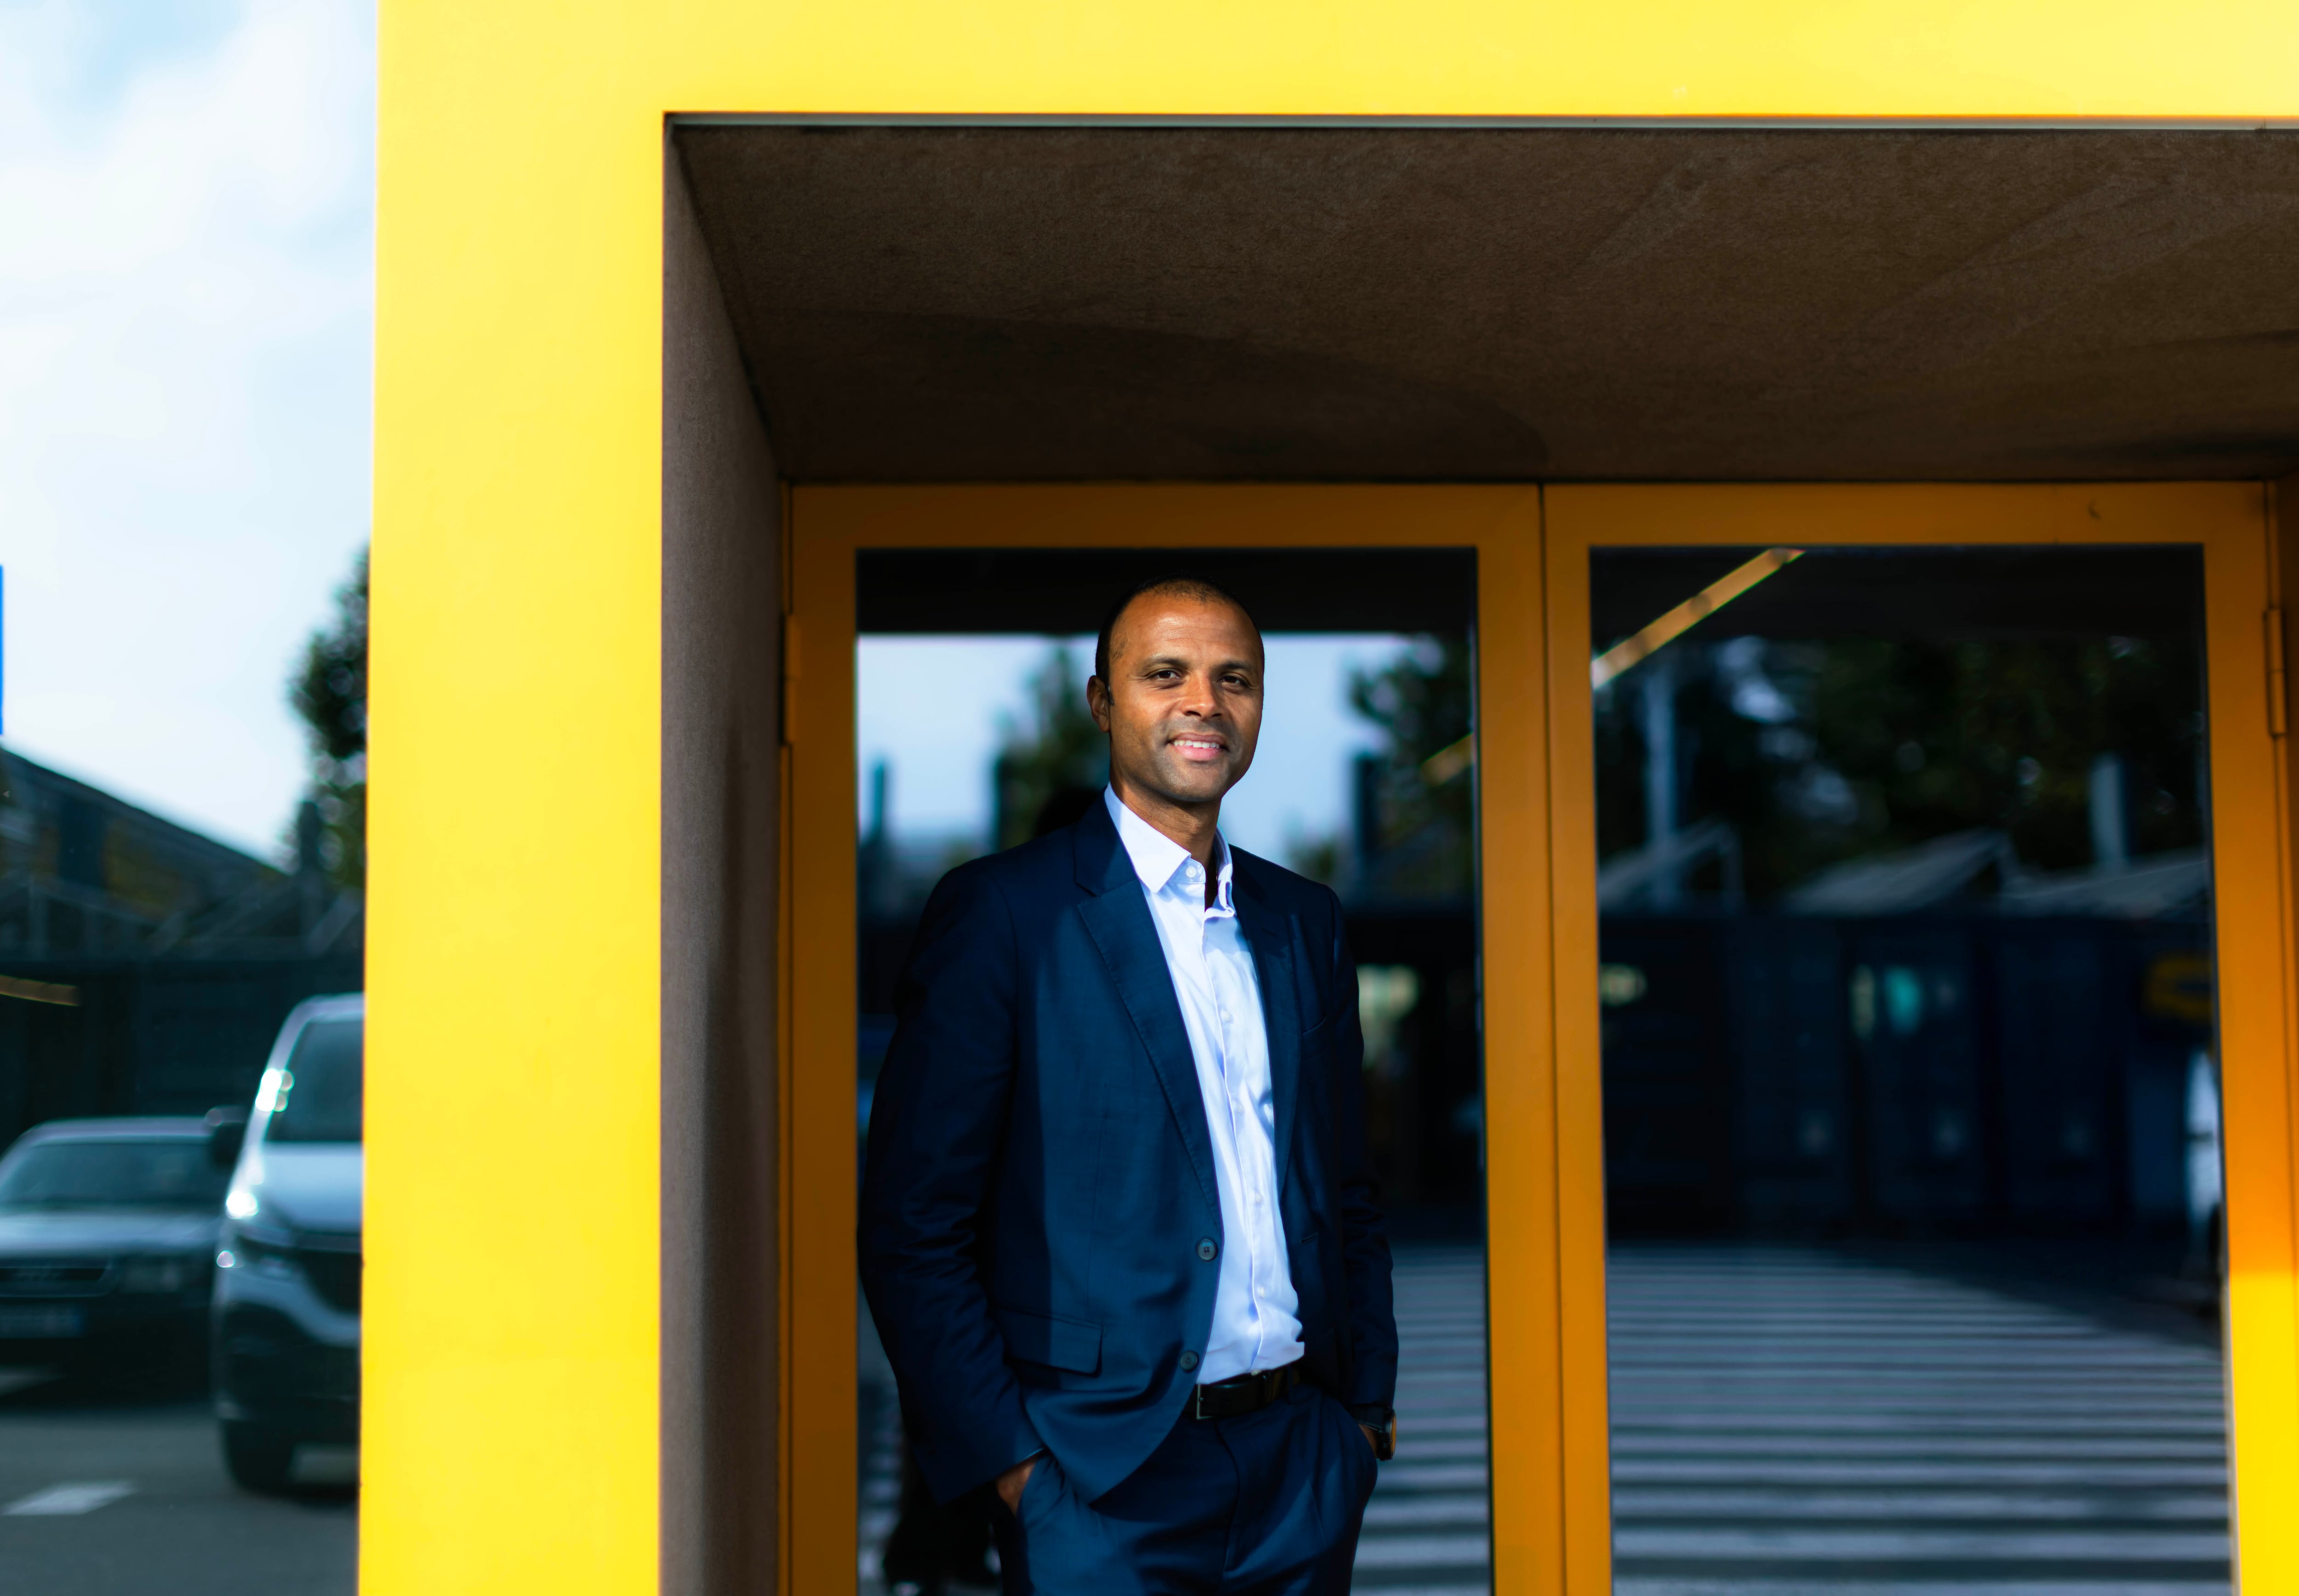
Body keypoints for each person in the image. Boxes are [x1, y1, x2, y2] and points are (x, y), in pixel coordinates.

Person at [860, 575, 1398, 1594]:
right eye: (1166, 674)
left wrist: (1361, 1416)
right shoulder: (1005, 916)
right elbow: (912, 1223)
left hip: (1299, 1467)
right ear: (1102, 702)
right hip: (1097, 1483)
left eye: (1233, 678)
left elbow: (1344, 1188)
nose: (1204, 702)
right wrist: (1016, 1467)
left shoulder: (1304, 922)